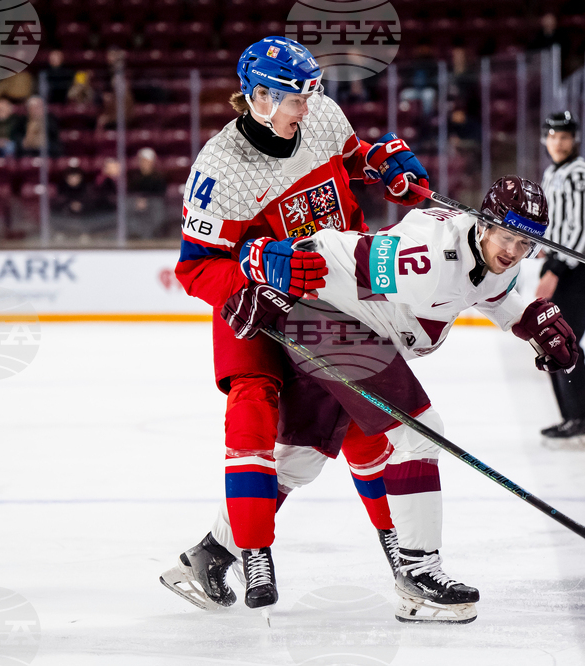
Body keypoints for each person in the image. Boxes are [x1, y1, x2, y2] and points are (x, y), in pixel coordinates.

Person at [205, 176, 580, 623]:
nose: (514, 252)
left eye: (526, 244)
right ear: (483, 223)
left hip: (355, 334)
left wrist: (531, 320)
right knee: (422, 431)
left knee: (302, 458)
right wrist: (269, 282)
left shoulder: (495, 257)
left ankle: (209, 554)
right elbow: (346, 255)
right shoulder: (422, 259)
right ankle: (419, 576)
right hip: (330, 327)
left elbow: (493, 292)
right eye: (508, 237)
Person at [160, 36, 430, 613]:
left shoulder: (323, 114)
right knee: (253, 403)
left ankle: (401, 555)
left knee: (364, 416)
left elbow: (353, 160)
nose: (307, 107)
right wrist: (250, 276)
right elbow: (195, 265)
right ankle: (252, 550)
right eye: (292, 97)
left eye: (311, 92)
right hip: (257, 305)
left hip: (333, 298)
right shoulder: (220, 168)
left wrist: (382, 165)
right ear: (256, 97)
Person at [535, 111, 585, 445]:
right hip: (558, 266)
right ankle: (570, 418)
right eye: (552, 136)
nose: (557, 143)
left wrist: (556, 271)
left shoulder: (580, 174)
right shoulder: (552, 173)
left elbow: (582, 231)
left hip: (578, 269)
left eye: (563, 137)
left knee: (566, 343)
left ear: (573, 139)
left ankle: (582, 419)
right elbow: (552, 226)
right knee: (553, 343)